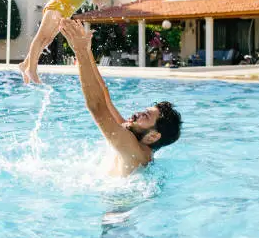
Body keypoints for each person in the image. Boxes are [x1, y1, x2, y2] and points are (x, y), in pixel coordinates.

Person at [59, 19, 182, 176]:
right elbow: (104, 95)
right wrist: (87, 51)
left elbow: (97, 107)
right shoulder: (135, 136)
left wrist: (80, 51)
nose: (136, 114)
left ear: (153, 136)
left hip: (118, 199)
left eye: (145, 116)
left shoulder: (134, 149)